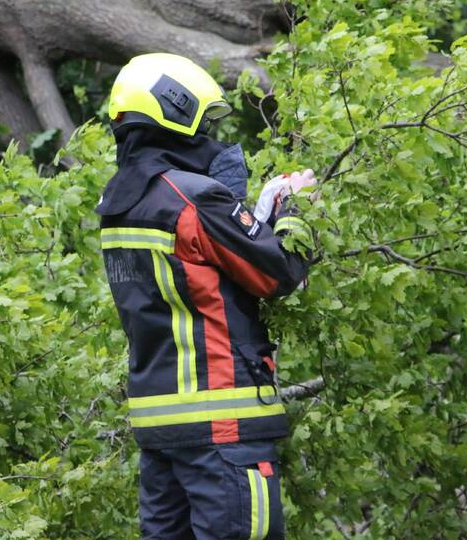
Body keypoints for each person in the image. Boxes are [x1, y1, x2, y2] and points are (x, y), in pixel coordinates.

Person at [96, 53, 316, 539]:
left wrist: (248, 216)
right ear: (175, 115)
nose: (208, 137)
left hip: (160, 430)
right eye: (203, 125)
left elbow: (199, 278)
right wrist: (294, 209)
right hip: (224, 427)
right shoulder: (194, 198)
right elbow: (281, 273)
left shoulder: (118, 206)